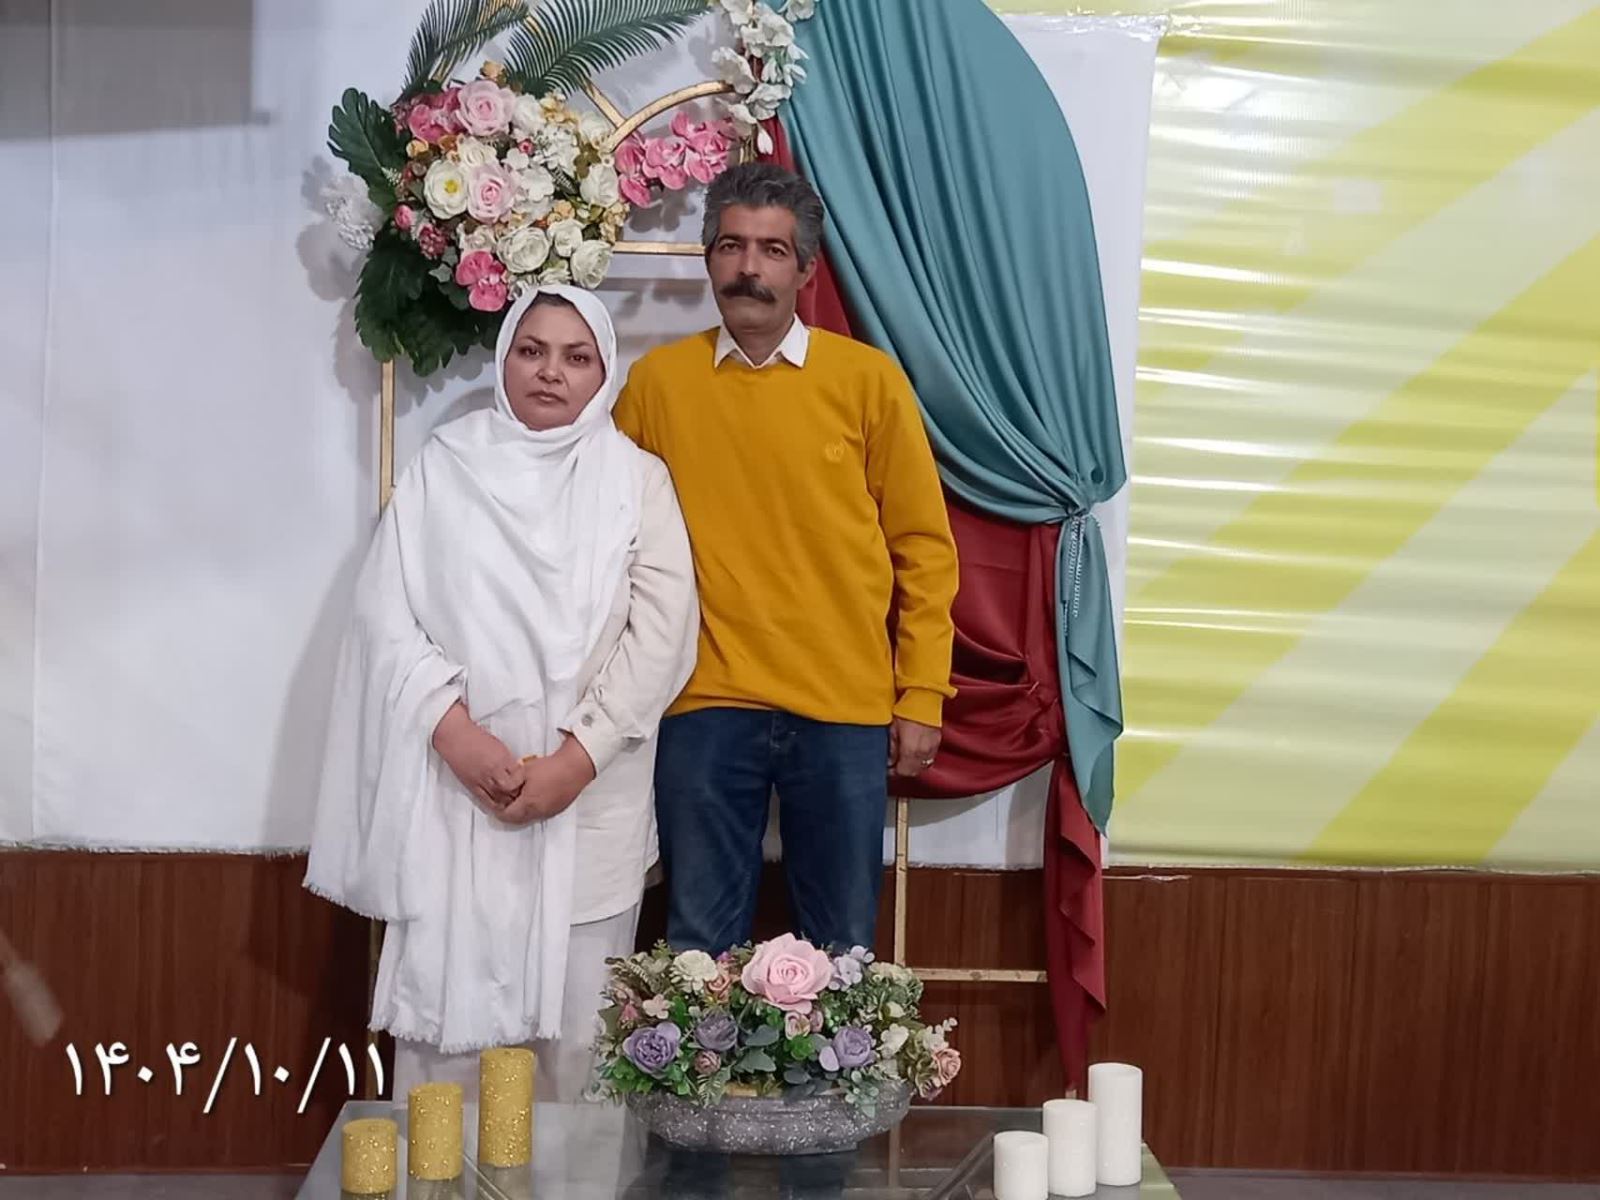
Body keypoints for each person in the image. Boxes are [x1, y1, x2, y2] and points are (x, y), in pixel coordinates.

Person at [305, 285, 698, 1103]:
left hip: (589, 805)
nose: (551, 372)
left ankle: (572, 1176)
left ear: (603, 374)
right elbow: (385, 617)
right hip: (458, 799)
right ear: (505, 357)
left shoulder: (637, 481)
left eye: (576, 357)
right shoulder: (446, 466)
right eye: (531, 350)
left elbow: (662, 638)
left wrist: (575, 760)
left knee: (579, 1051)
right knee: (447, 1056)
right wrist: (457, 735)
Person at [614, 163, 959, 956]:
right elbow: (610, 546)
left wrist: (923, 693)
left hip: (842, 707)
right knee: (697, 952)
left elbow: (924, 548)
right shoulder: (657, 386)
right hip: (700, 701)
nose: (749, 268)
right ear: (709, 259)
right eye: (731, 245)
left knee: (842, 951)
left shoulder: (868, 381)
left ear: (806, 270)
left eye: (772, 250)